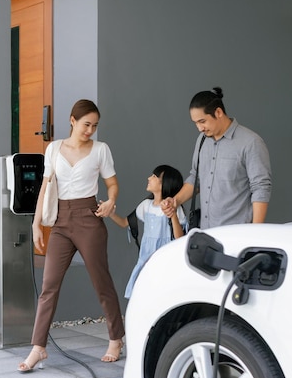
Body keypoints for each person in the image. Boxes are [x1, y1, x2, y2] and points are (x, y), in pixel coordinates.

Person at [18, 99, 125, 373]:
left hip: (89, 217)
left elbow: (112, 184)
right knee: (48, 286)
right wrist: (35, 225)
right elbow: (45, 187)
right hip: (61, 222)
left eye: (95, 126)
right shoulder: (53, 148)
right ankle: (38, 347)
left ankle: (116, 339)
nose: (90, 130)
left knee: (102, 282)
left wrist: (111, 201)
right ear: (72, 120)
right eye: (86, 124)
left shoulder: (101, 150)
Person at [163, 86, 272, 228]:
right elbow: (196, 178)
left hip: (236, 234)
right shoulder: (202, 140)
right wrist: (175, 201)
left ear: (218, 112)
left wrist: (256, 232)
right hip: (205, 233)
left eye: (202, 121)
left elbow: (261, 188)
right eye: (195, 123)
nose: (199, 128)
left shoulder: (251, 142)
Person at [109, 165, 188, 299]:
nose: (149, 178)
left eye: (154, 176)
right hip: (146, 259)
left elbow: (180, 238)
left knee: (165, 294)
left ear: (165, 183)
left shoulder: (174, 208)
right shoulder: (146, 206)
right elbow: (124, 222)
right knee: (145, 294)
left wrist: (172, 214)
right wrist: (110, 213)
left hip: (166, 260)